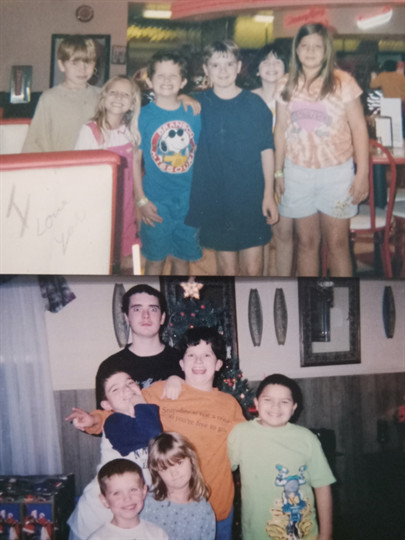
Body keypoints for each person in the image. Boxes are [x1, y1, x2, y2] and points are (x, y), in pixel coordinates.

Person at [71, 327, 245, 540]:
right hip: (166, 507)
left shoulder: (229, 404)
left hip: (217, 505)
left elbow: (245, 445)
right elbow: (121, 409)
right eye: (191, 355)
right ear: (182, 363)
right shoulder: (161, 391)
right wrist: (93, 420)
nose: (198, 361)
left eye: (206, 355)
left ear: (218, 364)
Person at [274, 23, 369, 277]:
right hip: (297, 173)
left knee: (337, 244)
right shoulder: (285, 84)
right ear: (296, 50)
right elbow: (280, 129)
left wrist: (362, 174)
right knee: (307, 243)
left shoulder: (344, 82)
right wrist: (278, 172)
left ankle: (345, 298)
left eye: (317, 46)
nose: (310, 51)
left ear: (327, 50)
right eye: (305, 46)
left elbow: (359, 128)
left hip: (337, 174)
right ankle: (310, 298)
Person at [185, 40, 278, 276]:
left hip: (250, 196)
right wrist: (182, 98)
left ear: (238, 67)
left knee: (253, 268)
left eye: (228, 64)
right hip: (216, 199)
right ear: (206, 69)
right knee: (227, 270)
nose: (223, 70)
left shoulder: (255, 105)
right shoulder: (197, 104)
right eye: (215, 65)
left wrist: (268, 194)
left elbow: (267, 150)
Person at [228, 373, 335, 540]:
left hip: (303, 533)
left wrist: (326, 533)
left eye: (284, 402)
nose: (275, 407)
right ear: (256, 403)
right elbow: (221, 470)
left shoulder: (306, 439)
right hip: (257, 533)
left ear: (294, 408)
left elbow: (322, 486)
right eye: (268, 400)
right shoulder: (240, 434)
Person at [66, 283, 183, 432]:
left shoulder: (184, 361)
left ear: (162, 318)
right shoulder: (110, 366)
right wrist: (90, 422)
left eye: (153, 309)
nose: (146, 315)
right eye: (137, 309)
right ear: (127, 318)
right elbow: (106, 421)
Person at [68, 366, 162, 540]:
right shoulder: (114, 423)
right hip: (99, 511)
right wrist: (140, 401)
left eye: (130, 383)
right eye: (115, 389)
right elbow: (151, 433)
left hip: (129, 504)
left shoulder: (146, 416)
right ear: (107, 405)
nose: (126, 389)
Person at [133, 50, 202, 275]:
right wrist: (141, 200)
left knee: (182, 260)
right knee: (155, 261)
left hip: (189, 201)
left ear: (183, 82)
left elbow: (199, 153)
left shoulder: (194, 113)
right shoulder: (142, 116)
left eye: (173, 76)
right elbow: (135, 160)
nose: (166, 80)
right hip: (156, 202)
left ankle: (178, 298)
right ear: (149, 81)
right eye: (160, 75)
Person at [75, 75, 142, 273]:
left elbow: (136, 171)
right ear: (103, 98)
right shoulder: (90, 131)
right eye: (113, 92)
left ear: (132, 104)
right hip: (99, 207)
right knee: (101, 259)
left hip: (126, 209)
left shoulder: (131, 132)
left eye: (125, 94)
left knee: (129, 260)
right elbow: (78, 174)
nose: (118, 97)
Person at [251, 43, 294, 277]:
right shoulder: (247, 99)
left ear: (286, 68)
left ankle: (285, 282)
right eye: (265, 61)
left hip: (285, 173)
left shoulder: (293, 99)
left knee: (283, 234)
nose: (271, 66)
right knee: (262, 237)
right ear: (257, 69)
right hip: (255, 175)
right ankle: (264, 283)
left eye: (277, 61)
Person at [22, 35, 99, 153]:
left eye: (88, 62)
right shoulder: (49, 98)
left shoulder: (102, 95)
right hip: (61, 162)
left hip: (96, 161)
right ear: (62, 65)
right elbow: (35, 141)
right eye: (75, 63)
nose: (82, 69)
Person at [141, 431, 216, 540]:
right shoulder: (147, 504)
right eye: (165, 468)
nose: (174, 473)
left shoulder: (204, 510)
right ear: (157, 473)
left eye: (179, 463)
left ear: (191, 460)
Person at [88, 459, 168, 540]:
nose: (127, 499)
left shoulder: (158, 534)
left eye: (133, 490)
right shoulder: (97, 538)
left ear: (144, 491)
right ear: (104, 500)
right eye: (117, 493)